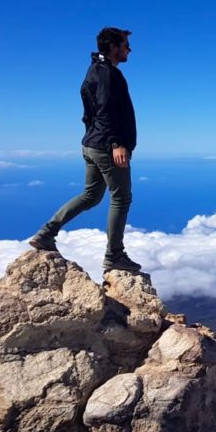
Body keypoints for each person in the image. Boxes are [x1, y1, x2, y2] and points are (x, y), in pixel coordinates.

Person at [28, 26, 145, 276]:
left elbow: (90, 114)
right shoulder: (106, 74)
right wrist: (116, 143)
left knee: (91, 195)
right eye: (125, 45)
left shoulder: (95, 71)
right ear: (113, 47)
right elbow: (105, 110)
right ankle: (114, 255)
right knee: (121, 198)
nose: (129, 49)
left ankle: (46, 233)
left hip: (91, 144)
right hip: (106, 146)